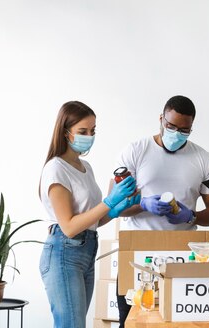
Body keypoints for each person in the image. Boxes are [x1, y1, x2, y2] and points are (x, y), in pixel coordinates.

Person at [113, 95, 209, 326]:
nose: (176, 134)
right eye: (170, 126)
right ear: (161, 119)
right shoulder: (136, 151)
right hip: (138, 253)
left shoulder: (204, 159)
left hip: (182, 254)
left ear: (192, 128)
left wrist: (192, 216)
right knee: (132, 321)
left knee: (180, 323)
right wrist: (143, 205)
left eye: (184, 131)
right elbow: (114, 206)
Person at [39, 101, 139, 328]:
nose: (90, 136)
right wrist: (109, 201)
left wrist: (116, 209)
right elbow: (70, 226)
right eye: (83, 132)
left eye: (93, 131)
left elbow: (93, 219)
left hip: (86, 251)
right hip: (64, 252)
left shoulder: (85, 167)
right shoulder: (56, 168)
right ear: (66, 133)